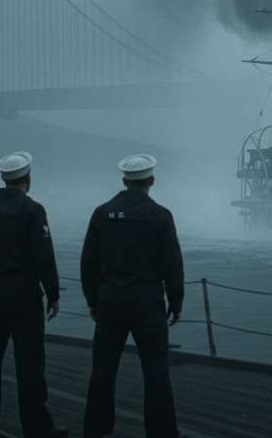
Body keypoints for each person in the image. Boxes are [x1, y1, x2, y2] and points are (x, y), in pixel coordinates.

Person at [0, 151, 68, 438]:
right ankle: (37, 426)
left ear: (3, 178)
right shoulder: (32, 210)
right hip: (23, 298)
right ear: (28, 178)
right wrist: (53, 294)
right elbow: (44, 257)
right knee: (30, 363)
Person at [81, 154, 186, 438]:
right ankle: (163, 433)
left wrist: (92, 300)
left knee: (102, 371)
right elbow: (172, 263)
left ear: (124, 181)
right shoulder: (160, 215)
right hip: (148, 303)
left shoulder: (102, 213)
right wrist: (176, 302)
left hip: (110, 302)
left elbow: (88, 262)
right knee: (155, 372)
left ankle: (96, 430)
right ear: (151, 180)